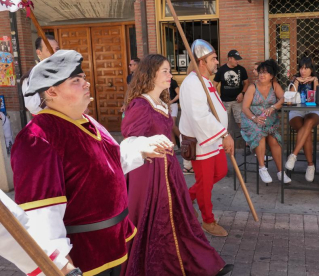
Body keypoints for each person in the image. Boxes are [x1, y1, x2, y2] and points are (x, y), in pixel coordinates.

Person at [11, 50, 173, 276]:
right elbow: (41, 213)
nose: (86, 83)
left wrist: (141, 149)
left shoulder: (87, 121)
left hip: (113, 245)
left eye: (83, 77)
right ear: (51, 91)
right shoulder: (38, 137)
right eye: (76, 81)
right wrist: (60, 265)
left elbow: (106, 166)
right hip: (82, 258)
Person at [121, 54, 233, 276]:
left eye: (169, 70)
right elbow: (128, 140)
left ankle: (201, 265)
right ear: (150, 74)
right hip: (149, 174)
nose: (170, 75)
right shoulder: (141, 105)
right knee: (155, 223)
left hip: (168, 170)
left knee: (180, 220)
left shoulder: (160, 103)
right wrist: (147, 144)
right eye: (165, 71)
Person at [180, 39, 235, 237]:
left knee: (220, 172)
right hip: (201, 142)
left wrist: (222, 135)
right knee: (205, 182)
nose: (216, 63)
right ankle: (208, 221)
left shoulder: (205, 82)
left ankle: (186, 198)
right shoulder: (192, 83)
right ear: (202, 61)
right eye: (213, 59)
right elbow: (199, 116)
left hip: (214, 139)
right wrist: (225, 135)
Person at [241, 59, 291, 184]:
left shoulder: (275, 86)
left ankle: (280, 172)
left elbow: (284, 98)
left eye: (266, 72)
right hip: (251, 120)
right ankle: (262, 168)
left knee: (274, 140)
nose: (262, 75)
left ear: (272, 76)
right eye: (260, 72)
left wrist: (273, 107)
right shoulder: (252, 87)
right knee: (260, 134)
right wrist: (255, 118)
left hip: (269, 122)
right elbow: (245, 107)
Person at [285, 57, 319, 182]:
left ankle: (293, 155)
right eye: (301, 68)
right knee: (305, 132)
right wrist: (296, 81)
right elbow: (289, 101)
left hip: (312, 110)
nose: (303, 71)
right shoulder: (294, 79)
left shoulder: (317, 79)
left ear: (311, 69)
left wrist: (315, 81)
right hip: (296, 111)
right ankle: (310, 165)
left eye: (306, 68)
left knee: (308, 123)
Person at [21, 35, 60, 115]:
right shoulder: (31, 76)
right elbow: (32, 106)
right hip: (48, 120)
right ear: (39, 52)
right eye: (49, 49)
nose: (54, 53)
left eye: (57, 49)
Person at [213, 49, 249, 128]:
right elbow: (214, 84)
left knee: (241, 122)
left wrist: (242, 93)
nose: (237, 61)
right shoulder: (221, 70)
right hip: (225, 101)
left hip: (238, 101)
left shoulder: (241, 69)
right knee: (225, 123)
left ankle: (245, 139)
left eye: (238, 59)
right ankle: (228, 139)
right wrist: (217, 96)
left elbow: (246, 83)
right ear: (229, 58)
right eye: (236, 59)